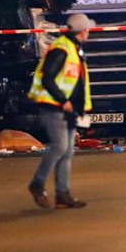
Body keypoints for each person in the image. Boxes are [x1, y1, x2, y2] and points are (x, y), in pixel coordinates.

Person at [27, 13, 94, 209]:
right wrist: (63, 100)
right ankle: (37, 184)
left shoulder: (73, 48)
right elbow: (48, 78)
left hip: (68, 108)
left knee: (67, 151)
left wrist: (79, 108)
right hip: (54, 106)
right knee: (60, 146)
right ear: (83, 31)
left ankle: (62, 194)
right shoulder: (62, 49)